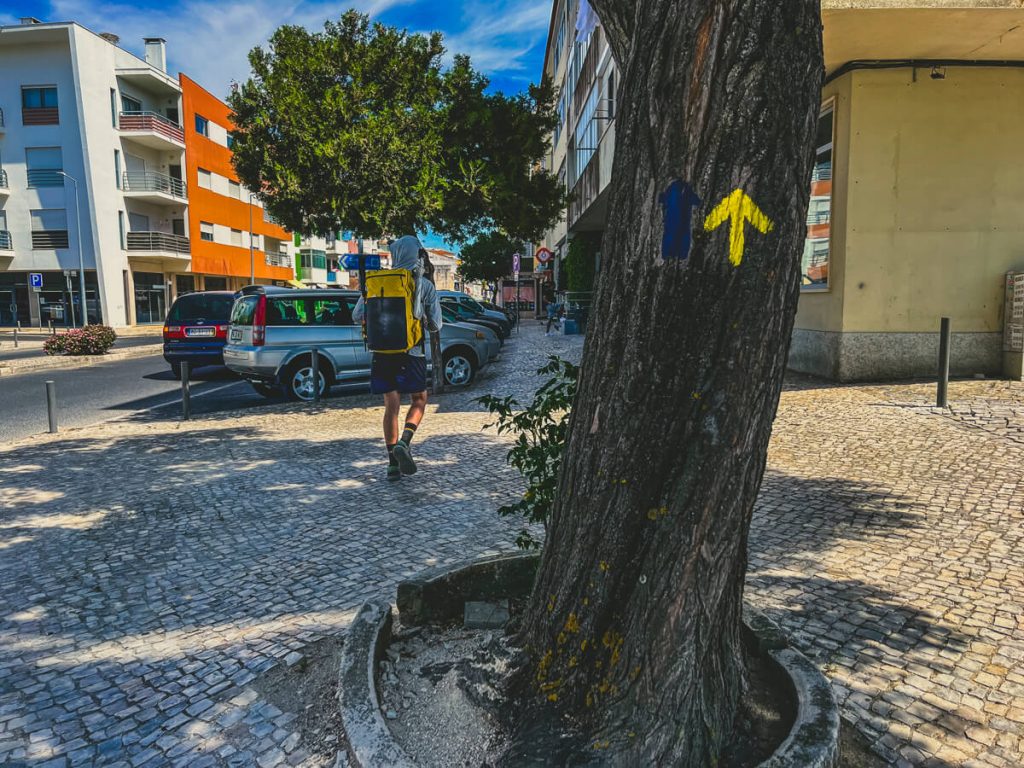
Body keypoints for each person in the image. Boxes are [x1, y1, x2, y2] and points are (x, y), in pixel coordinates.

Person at [352, 236, 443, 482]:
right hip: (411, 351)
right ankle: (405, 441)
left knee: (391, 407)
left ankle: (392, 464)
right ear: (416, 255)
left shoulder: (377, 281)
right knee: (419, 399)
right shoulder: (423, 285)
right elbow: (436, 325)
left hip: (381, 352)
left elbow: (356, 314)